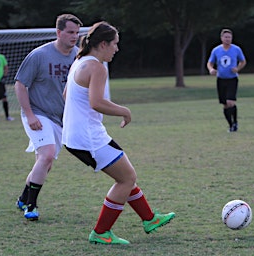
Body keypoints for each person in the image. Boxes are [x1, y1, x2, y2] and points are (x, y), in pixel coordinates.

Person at [62, 21, 175, 245]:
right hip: (88, 138)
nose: (117, 49)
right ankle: (101, 232)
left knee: (125, 175)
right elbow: (95, 102)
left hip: (79, 135)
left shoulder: (80, 61)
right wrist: (124, 111)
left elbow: (67, 95)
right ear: (103, 44)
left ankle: (149, 218)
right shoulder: (96, 67)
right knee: (127, 178)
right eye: (115, 44)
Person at [13, 14, 83, 221]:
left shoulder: (79, 57)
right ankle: (30, 206)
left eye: (77, 33)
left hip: (60, 118)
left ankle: (23, 197)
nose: (74, 36)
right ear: (59, 32)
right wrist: (29, 114)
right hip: (37, 113)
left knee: (45, 163)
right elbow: (20, 84)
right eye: (70, 32)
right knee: (47, 155)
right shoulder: (39, 55)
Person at [207, 28, 247, 132]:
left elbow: (243, 61)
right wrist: (211, 69)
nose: (228, 39)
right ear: (221, 38)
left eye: (229, 37)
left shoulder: (236, 49)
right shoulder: (216, 50)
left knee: (230, 102)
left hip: (232, 79)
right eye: (226, 37)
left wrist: (237, 68)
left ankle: (236, 122)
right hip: (221, 79)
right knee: (225, 104)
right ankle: (231, 125)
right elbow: (210, 62)